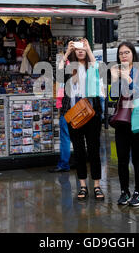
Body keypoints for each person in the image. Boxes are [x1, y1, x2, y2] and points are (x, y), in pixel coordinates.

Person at [58, 38, 104, 200]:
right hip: (74, 115)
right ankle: (83, 185)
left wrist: (90, 49)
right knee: (78, 151)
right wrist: (67, 53)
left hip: (91, 114)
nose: (80, 50)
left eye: (83, 47)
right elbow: (58, 75)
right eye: (77, 48)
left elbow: (97, 70)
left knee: (94, 151)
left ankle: (97, 185)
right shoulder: (70, 67)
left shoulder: (92, 67)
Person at [110, 42, 139, 206]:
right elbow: (113, 97)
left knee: (138, 159)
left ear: (133, 54)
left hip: (137, 120)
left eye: (127, 52)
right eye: (121, 53)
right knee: (122, 159)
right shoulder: (117, 73)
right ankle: (124, 191)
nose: (123, 56)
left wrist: (128, 79)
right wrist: (115, 79)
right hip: (122, 122)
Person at [48, 80, 71, 173]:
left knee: (65, 139)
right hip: (79, 113)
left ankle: (64, 164)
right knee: (77, 139)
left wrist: (59, 110)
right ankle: (78, 162)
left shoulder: (64, 78)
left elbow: (60, 96)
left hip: (66, 113)